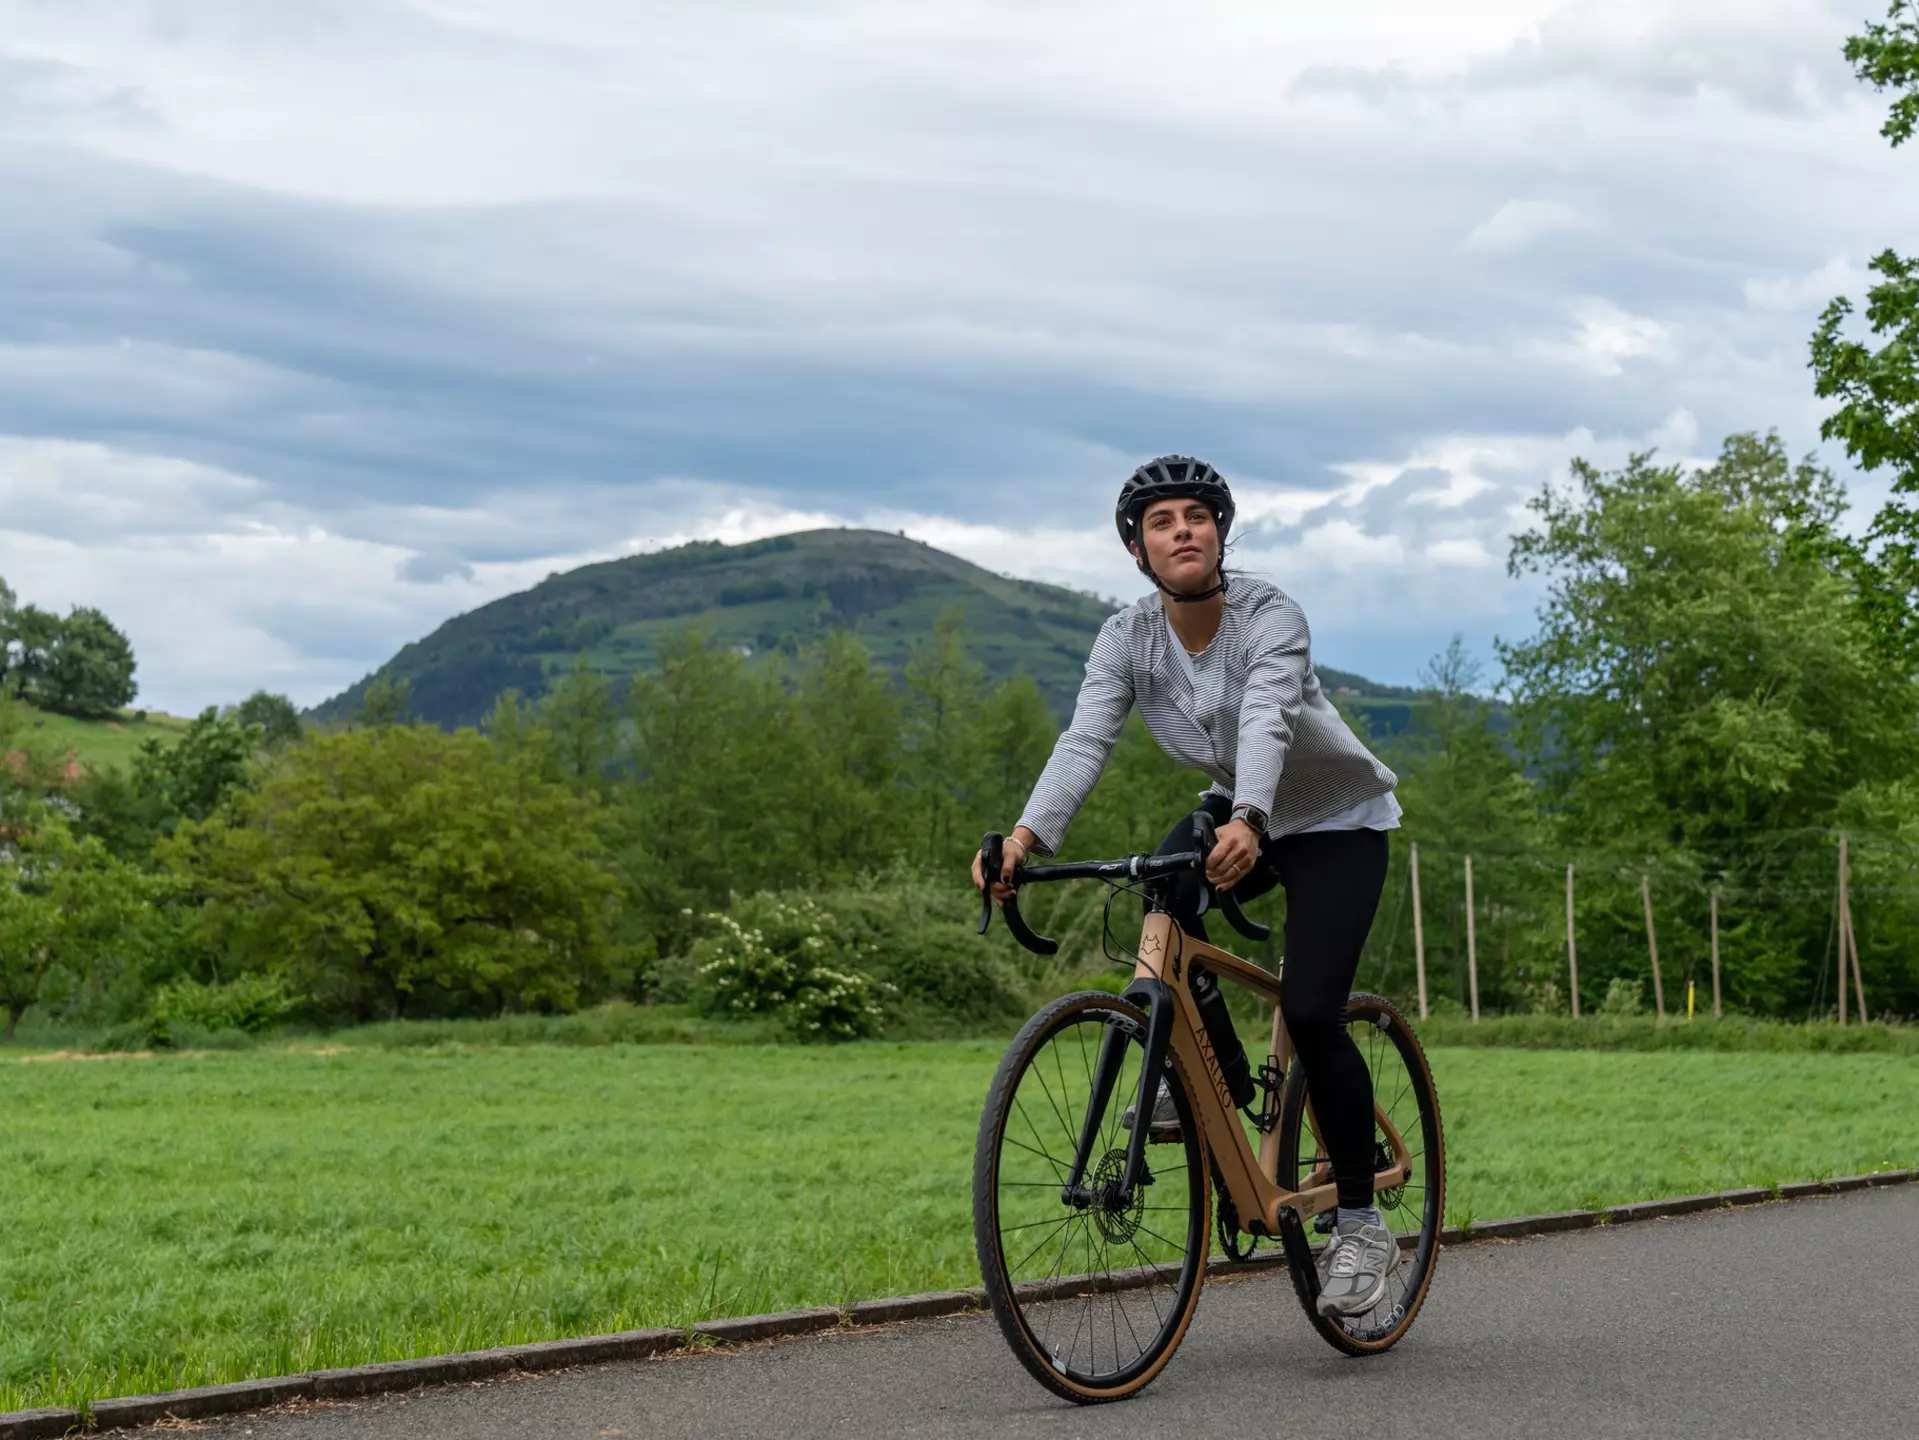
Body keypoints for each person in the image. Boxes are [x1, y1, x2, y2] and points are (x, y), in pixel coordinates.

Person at [971, 455, 1403, 1319]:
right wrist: (1021, 840)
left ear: (1219, 533)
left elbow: (1267, 716)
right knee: (1160, 898)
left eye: (1196, 517)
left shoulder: (1269, 615)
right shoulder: (1125, 638)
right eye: (1161, 522)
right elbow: (1084, 740)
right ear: (1138, 550)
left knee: (1311, 1011)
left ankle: (1360, 1223)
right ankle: (1204, 1075)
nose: (1182, 532)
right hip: (1235, 806)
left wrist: (1251, 816)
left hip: (1334, 819)